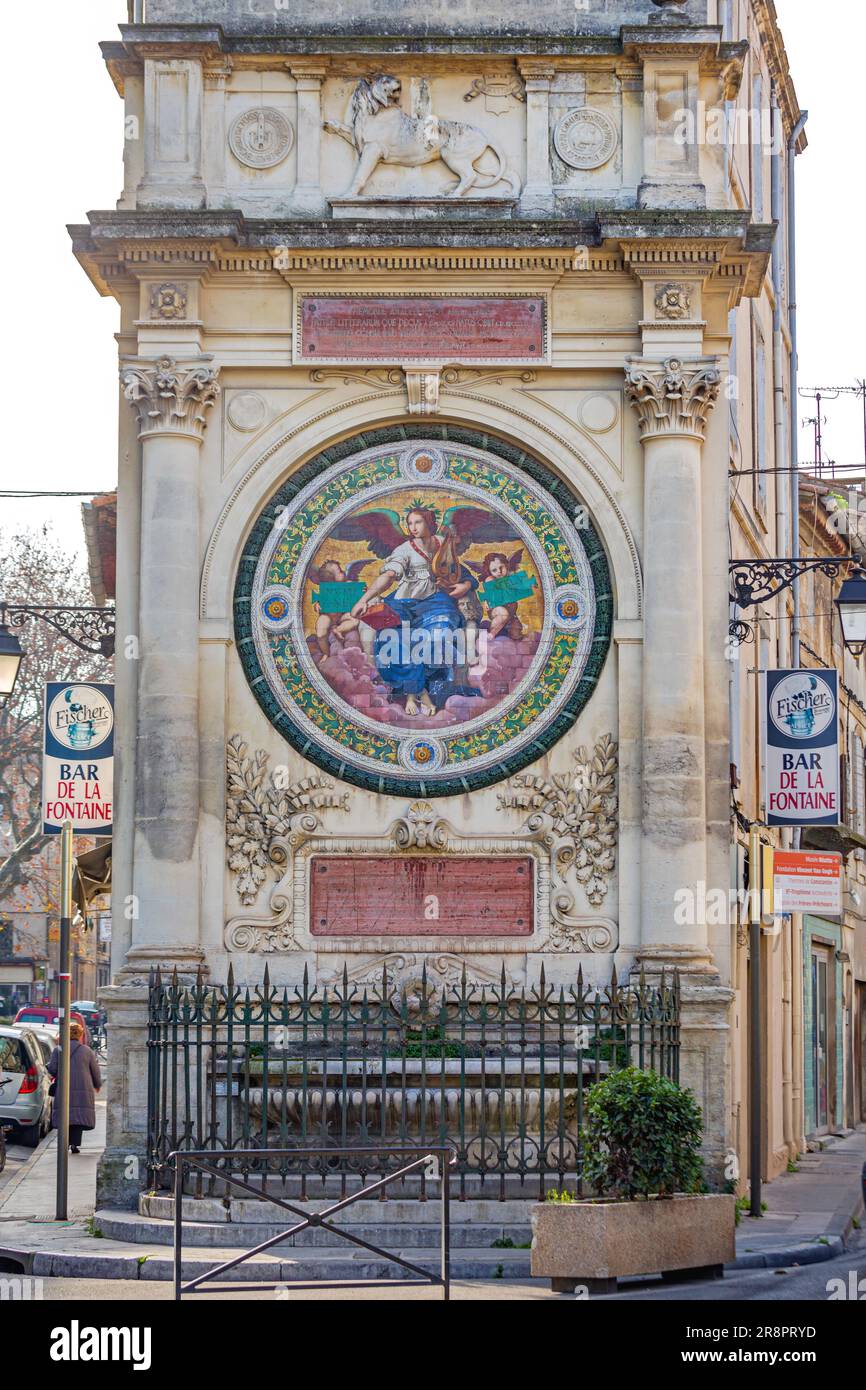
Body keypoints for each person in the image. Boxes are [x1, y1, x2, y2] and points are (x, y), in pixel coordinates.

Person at [351, 506, 481, 716]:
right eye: (410, 523)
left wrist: (466, 585)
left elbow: (456, 569)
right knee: (391, 636)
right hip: (404, 600)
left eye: (418, 522)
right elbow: (389, 576)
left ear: (429, 523)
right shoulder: (404, 550)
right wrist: (363, 600)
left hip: (435, 600)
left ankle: (426, 689)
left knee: (440, 635)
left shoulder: (442, 542)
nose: (413, 527)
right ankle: (417, 692)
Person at [46, 1020, 102, 1154]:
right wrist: (97, 1084)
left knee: (65, 1115)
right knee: (77, 1117)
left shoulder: (58, 1050)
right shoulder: (87, 1051)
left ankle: (64, 1143)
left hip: (64, 1088)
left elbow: (53, 1069)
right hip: (83, 1088)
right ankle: (75, 1145)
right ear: (80, 1035)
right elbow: (95, 1070)